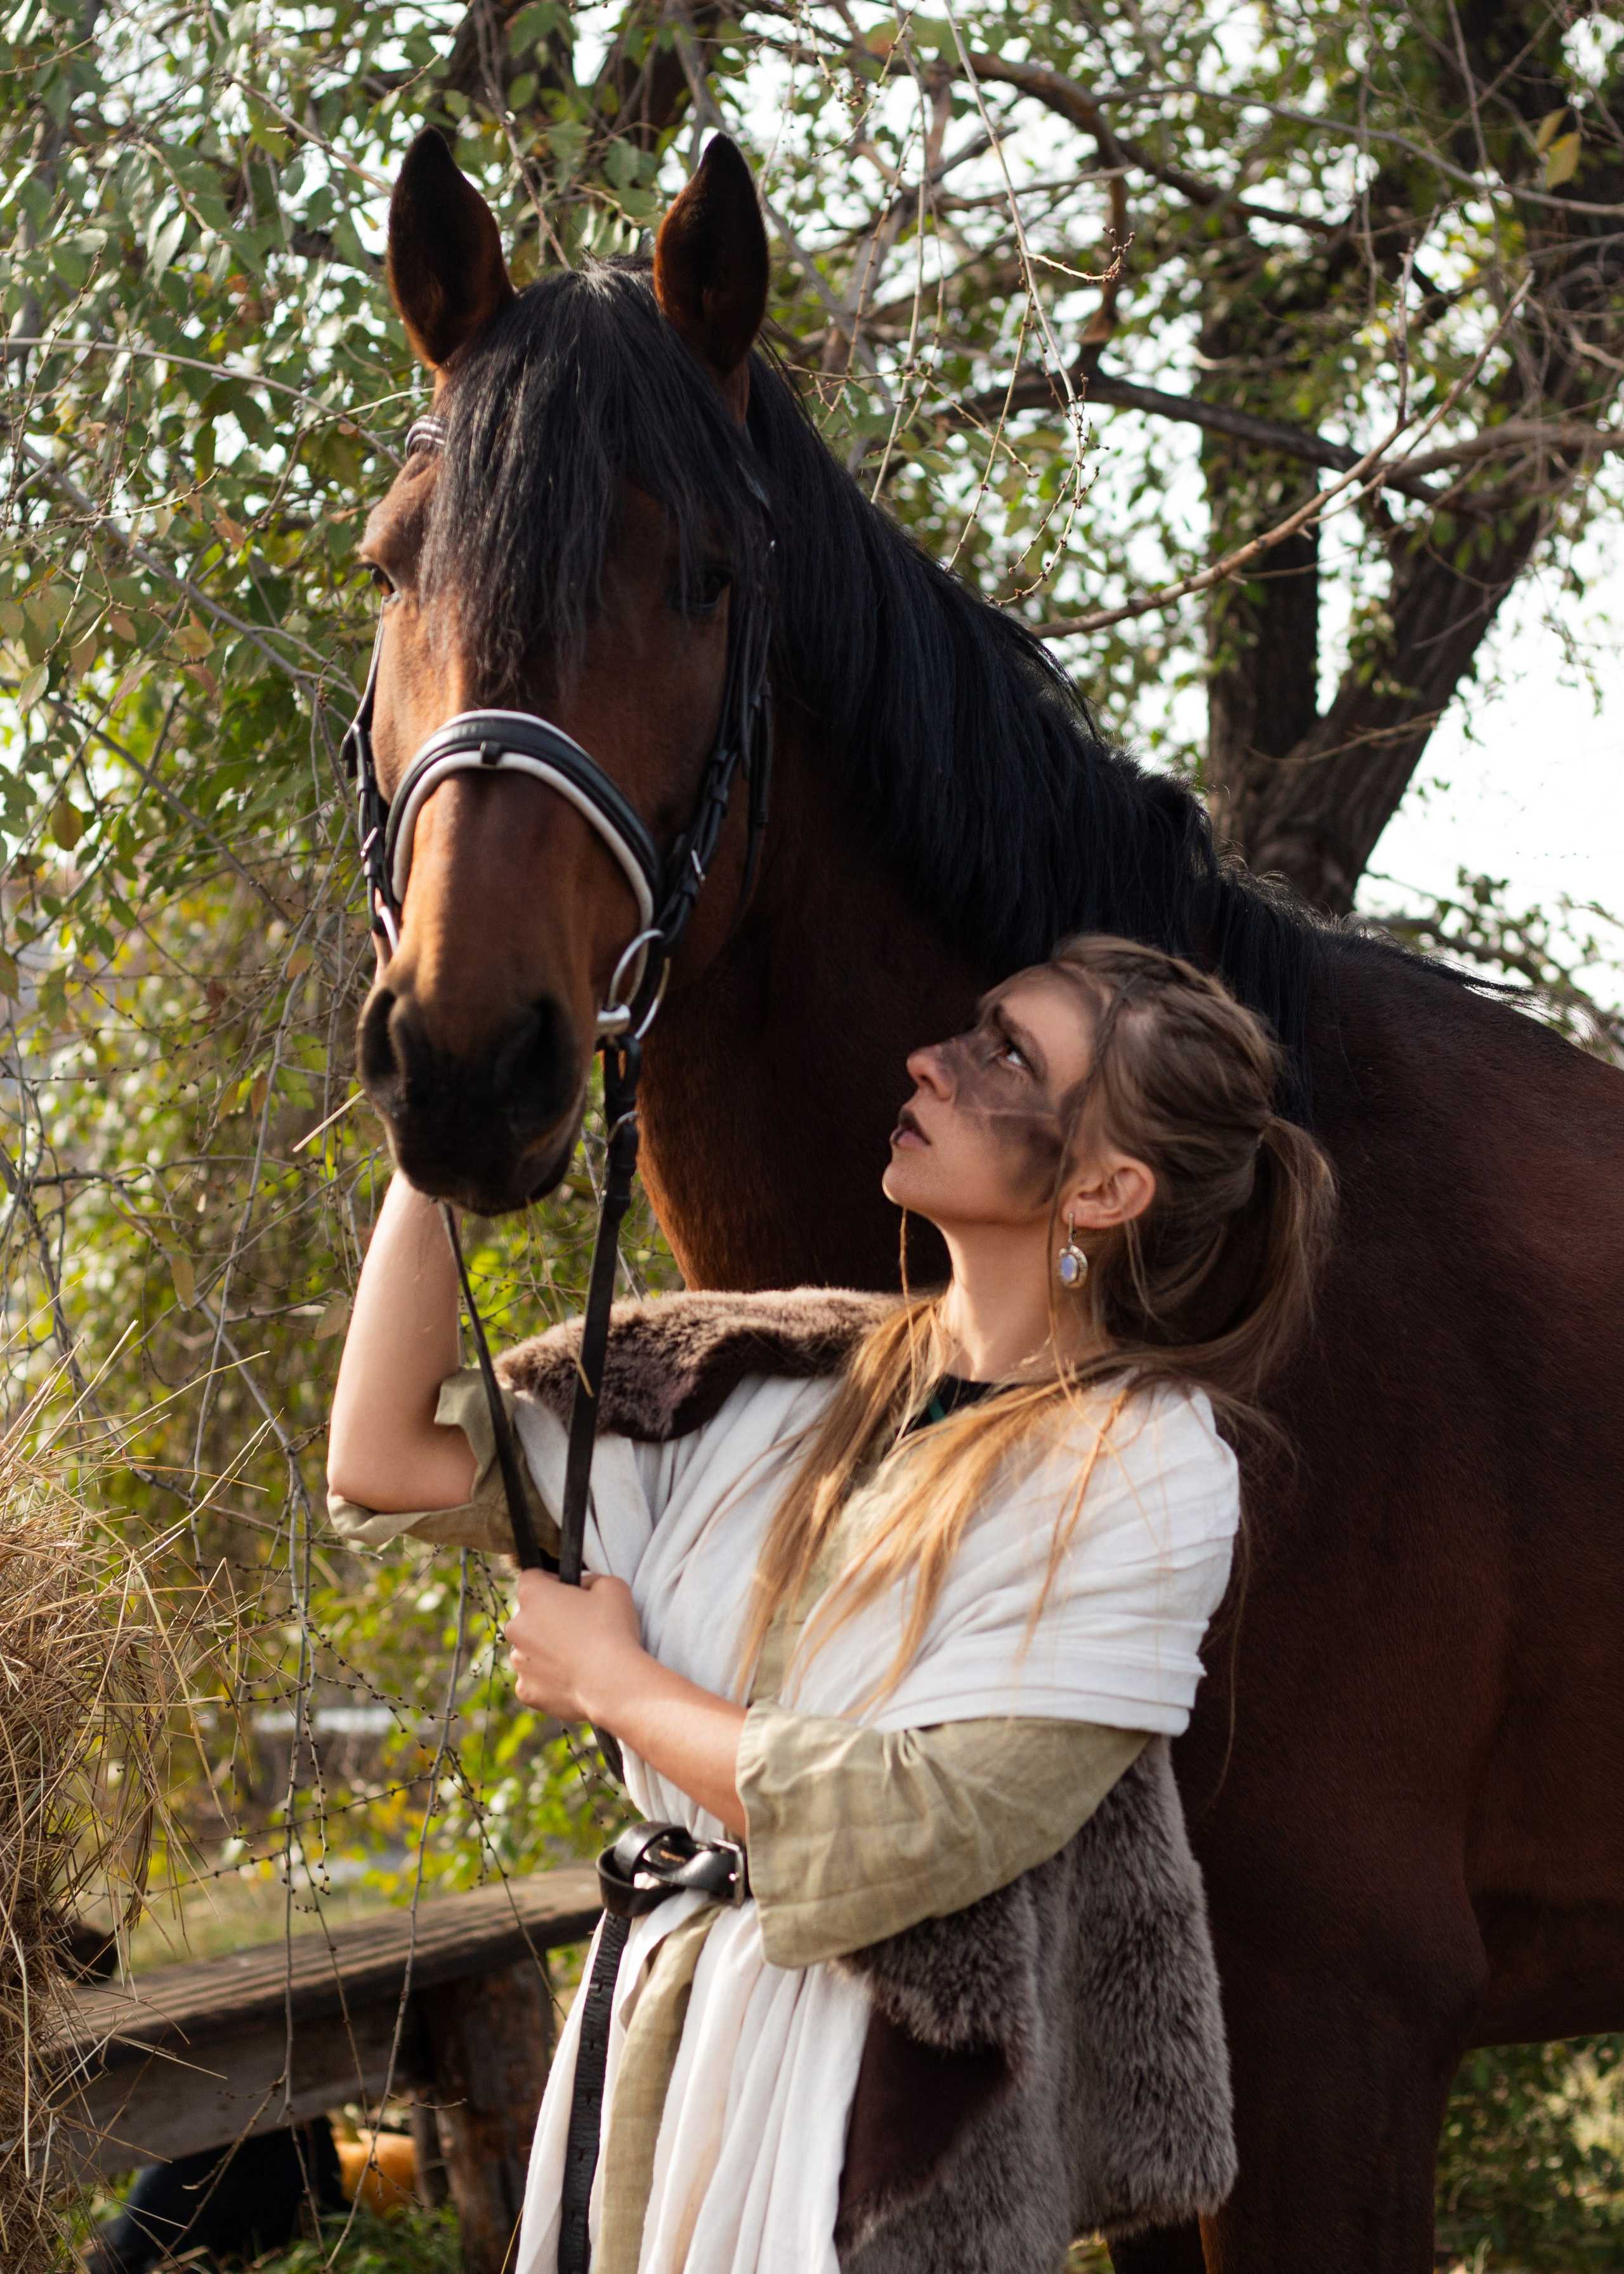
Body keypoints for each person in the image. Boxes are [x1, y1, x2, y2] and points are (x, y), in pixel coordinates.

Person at [327, 933, 1334, 2274]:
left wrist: (614, 1684)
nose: (933, 1058)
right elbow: (387, 1457)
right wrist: (437, 1126)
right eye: (971, 1030)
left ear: (1103, 1185)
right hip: (658, 2044)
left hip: (863, 2109)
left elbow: (921, 1824)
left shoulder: (1143, 1466)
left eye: (1006, 1057)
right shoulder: (774, 1373)